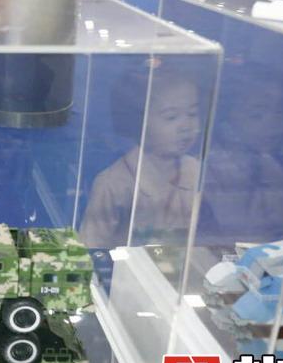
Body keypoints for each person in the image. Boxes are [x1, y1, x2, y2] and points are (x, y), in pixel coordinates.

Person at [80, 71, 202, 249]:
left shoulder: (197, 172)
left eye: (192, 114)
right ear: (139, 122)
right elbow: (90, 249)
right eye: (171, 117)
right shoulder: (112, 184)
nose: (186, 126)